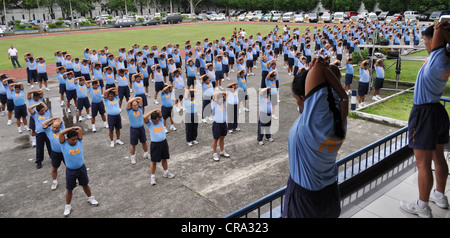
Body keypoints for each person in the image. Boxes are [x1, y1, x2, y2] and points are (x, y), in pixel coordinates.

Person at [282, 57, 348, 218]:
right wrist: (324, 71)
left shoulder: (310, 126)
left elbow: (319, 66)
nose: (298, 104)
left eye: (297, 99)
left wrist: (318, 67)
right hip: (329, 194)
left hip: (305, 201)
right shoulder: (340, 119)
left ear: (307, 99)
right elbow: (334, 77)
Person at [400, 22, 450, 218]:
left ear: (433, 41)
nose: (425, 44)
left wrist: (439, 29)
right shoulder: (445, 58)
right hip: (437, 111)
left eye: (426, 40)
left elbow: (437, 37)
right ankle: (440, 195)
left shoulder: (438, 58)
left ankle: (422, 205)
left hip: (424, 112)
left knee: (423, 164)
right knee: (439, 157)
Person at [59, 126, 99, 217]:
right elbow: (61, 133)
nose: (75, 141)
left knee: (85, 185)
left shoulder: (79, 141)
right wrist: (72, 128)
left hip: (81, 169)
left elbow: (80, 129)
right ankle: (68, 206)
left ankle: (90, 198)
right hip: (70, 171)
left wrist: (76, 128)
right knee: (69, 189)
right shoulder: (64, 144)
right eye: (72, 140)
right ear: (67, 139)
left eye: (76, 139)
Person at [143, 109, 175, 185]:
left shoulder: (160, 120)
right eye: (154, 121)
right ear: (151, 120)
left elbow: (159, 111)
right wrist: (152, 111)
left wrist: (156, 112)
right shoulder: (150, 124)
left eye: (156, 120)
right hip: (155, 144)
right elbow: (144, 117)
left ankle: (166, 173)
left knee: (164, 158)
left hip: (163, 143)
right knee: (153, 161)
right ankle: (152, 177)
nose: (156, 122)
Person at [42, 117, 65, 190]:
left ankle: (73, 179)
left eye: (57, 128)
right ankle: (54, 182)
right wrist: (52, 119)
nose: (55, 129)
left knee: (69, 167)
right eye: (54, 127)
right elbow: (43, 124)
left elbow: (59, 119)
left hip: (64, 152)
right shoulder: (49, 131)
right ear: (52, 126)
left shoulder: (62, 130)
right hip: (55, 153)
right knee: (54, 168)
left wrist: (56, 119)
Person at [28, 101, 52, 169]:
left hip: (48, 132)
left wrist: (41, 103)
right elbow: (29, 108)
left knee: (50, 146)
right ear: (38, 111)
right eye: (41, 111)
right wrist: (36, 104)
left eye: (43, 110)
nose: (43, 112)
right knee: (39, 148)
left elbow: (45, 106)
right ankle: (39, 161)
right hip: (39, 133)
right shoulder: (35, 114)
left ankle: (52, 158)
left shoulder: (46, 112)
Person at [126, 97, 150, 164]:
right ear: (131, 106)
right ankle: (133, 157)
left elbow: (141, 99)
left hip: (141, 128)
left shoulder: (140, 108)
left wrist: (136, 99)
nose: (136, 106)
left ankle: (146, 153)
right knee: (133, 144)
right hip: (134, 130)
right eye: (134, 105)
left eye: (137, 105)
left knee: (144, 142)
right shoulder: (129, 111)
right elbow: (128, 102)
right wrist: (134, 100)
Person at [211, 91, 230, 161]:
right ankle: (215, 153)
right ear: (217, 100)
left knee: (222, 138)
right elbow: (214, 94)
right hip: (217, 124)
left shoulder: (223, 103)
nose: (222, 101)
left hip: (223, 124)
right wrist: (220, 92)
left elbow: (227, 94)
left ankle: (222, 151)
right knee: (215, 139)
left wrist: (222, 95)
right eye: (220, 100)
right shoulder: (214, 104)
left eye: (222, 99)